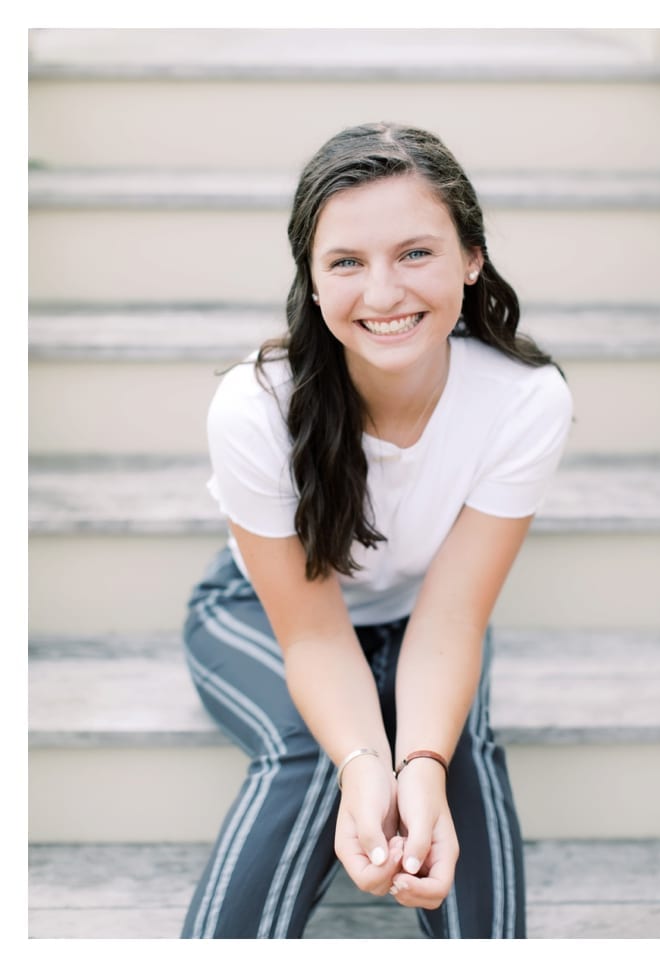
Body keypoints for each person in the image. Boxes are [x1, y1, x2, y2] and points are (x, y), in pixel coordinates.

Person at [181, 122, 572, 938]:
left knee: (451, 755)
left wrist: (417, 763)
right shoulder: (255, 408)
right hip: (262, 614)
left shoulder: (525, 401)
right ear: (314, 282)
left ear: (472, 257)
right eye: (348, 262)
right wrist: (366, 763)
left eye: (416, 253)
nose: (385, 292)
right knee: (317, 751)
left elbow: (453, 618)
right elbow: (316, 639)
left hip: (421, 615)